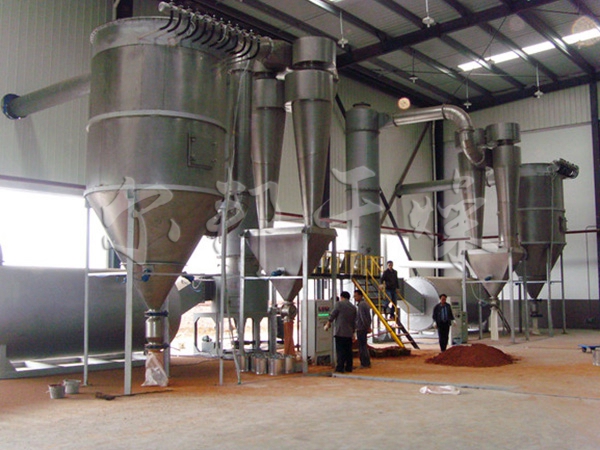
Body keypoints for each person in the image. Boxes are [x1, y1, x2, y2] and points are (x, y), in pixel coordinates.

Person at [324, 291, 357, 373]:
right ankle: (349, 367)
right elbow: (354, 321)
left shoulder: (339, 304)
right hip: (349, 333)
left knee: (340, 351)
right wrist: (353, 332)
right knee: (348, 351)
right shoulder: (353, 307)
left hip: (340, 332)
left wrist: (328, 323)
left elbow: (333, 314)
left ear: (342, 297)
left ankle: (340, 367)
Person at [354, 289, 372, 369]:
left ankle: (364, 363)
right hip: (363, 328)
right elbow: (368, 317)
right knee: (364, 346)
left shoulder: (361, 305)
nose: (354, 297)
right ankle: (366, 362)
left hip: (361, 328)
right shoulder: (365, 304)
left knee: (362, 347)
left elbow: (363, 317)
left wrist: (366, 327)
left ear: (360, 296)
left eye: (356, 296)